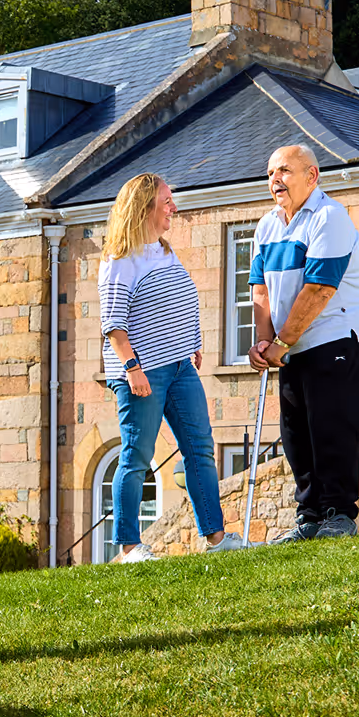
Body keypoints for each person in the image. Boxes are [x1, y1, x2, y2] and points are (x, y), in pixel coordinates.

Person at [99, 172, 248, 563]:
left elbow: (178, 297)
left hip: (180, 366)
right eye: (166, 201)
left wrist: (193, 342)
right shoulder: (120, 260)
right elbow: (113, 324)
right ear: (144, 207)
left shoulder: (164, 251)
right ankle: (129, 546)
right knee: (136, 455)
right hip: (142, 371)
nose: (173, 208)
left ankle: (215, 539)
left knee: (200, 448)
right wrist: (132, 369)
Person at [246, 144, 359, 541]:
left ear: (312, 176)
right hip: (291, 342)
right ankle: (309, 517)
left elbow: (319, 288)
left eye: (284, 171)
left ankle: (339, 514)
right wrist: (264, 340)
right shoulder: (266, 226)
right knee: (296, 432)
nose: (275, 181)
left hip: (337, 333)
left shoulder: (329, 217)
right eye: (270, 173)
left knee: (331, 427)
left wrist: (280, 342)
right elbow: (260, 291)